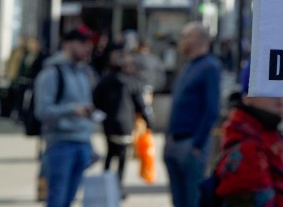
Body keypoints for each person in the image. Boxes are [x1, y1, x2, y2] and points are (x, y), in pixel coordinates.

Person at [212, 64, 283, 206]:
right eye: (270, 90)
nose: (282, 100)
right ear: (247, 97)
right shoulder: (247, 152)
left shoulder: (270, 135)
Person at [35, 25, 98, 207]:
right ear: (68, 44)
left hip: (82, 143)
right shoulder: (52, 73)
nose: (88, 47)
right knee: (57, 199)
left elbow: (86, 110)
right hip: (61, 145)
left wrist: (90, 143)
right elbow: (42, 111)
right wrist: (72, 109)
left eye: (89, 43)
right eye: (83, 43)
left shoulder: (84, 73)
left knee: (70, 199)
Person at [164, 22, 222, 207]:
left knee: (192, 199)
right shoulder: (189, 65)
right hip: (175, 141)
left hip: (191, 145)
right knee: (178, 199)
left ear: (196, 39)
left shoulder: (210, 67)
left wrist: (197, 145)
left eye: (184, 36)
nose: (181, 41)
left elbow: (212, 108)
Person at [93, 46, 154, 199]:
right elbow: (141, 104)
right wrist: (149, 123)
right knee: (121, 156)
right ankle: (117, 187)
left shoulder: (106, 80)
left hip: (108, 123)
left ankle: (105, 186)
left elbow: (96, 98)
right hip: (125, 124)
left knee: (110, 153)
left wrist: (103, 112)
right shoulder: (132, 82)